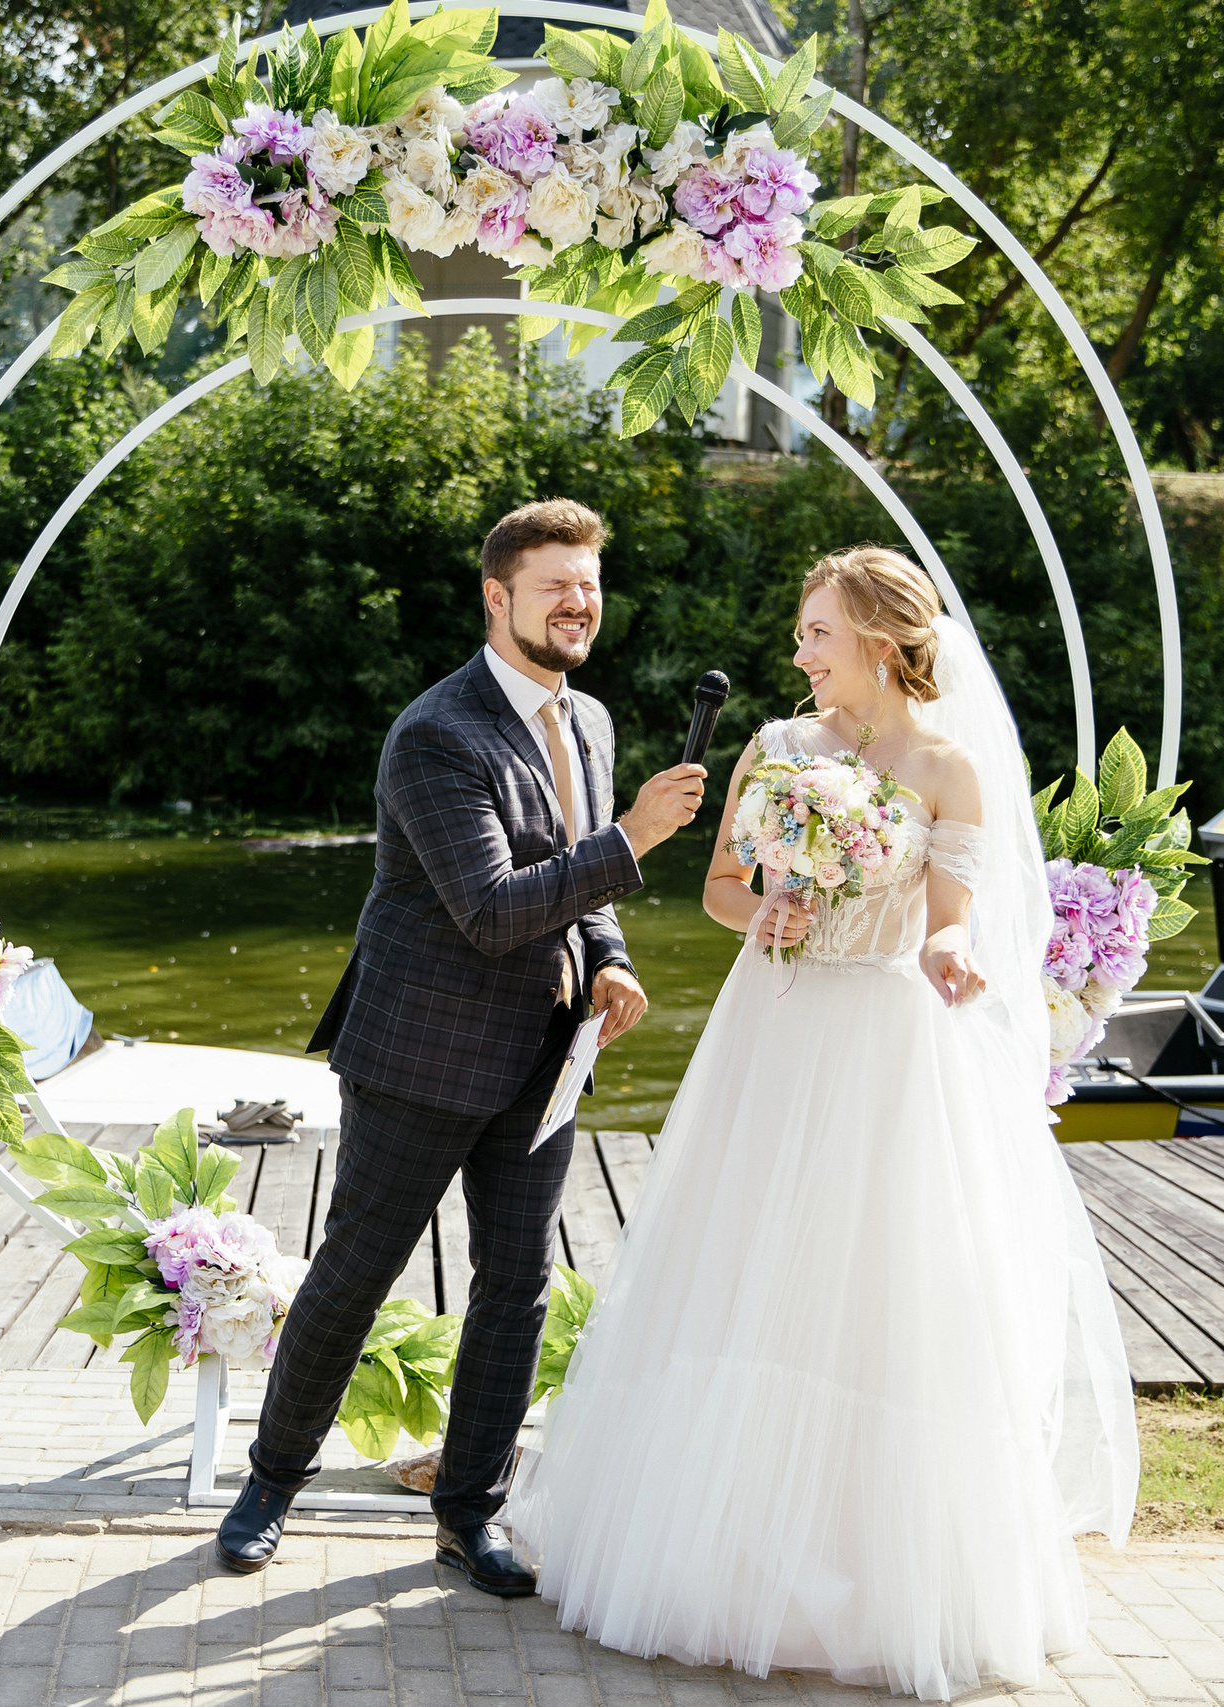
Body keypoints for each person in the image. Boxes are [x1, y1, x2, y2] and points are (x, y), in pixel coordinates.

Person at [507, 548, 1139, 1699]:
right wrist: (773, 907)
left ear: (884, 644)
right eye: (799, 632)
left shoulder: (949, 767)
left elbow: (949, 921)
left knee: (882, 1283)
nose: (798, 653)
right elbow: (720, 892)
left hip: (888, 1045)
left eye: (817, 634)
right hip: (778, 1027)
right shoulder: (777, 751)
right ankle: (723, 1550)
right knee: (746, 1260)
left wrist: (952, 953)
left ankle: (882, 1568)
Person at [216, 499, 708, 1593]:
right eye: (554, 586)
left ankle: (469, 1510)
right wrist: (635, 839)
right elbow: (489, 910)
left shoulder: (589, 722)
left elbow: (575, 881)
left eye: (588, 584)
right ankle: (269, 1482)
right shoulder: (436, 734)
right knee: (354, 1273)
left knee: (517, 1284)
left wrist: (612, 955)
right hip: (422, 1050)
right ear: (498, 599)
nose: (579, 604)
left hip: (546, 1055)